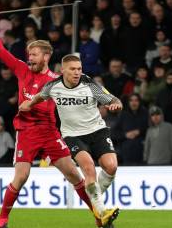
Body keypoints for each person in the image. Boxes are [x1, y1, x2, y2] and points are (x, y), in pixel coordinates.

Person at [0, 3, 111, 228]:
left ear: (46, 56)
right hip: (27, 132)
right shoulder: (21, 70)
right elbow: (0, 51)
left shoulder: (57, 81)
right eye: (28, 54)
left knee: (75, 176)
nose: (29, 57)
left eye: (34, 54)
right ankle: (2, 219)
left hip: (50, 132)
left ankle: (100, 216)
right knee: (21, 177)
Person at [19, 54, 121, 225]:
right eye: (72, 69)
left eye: (79, 69)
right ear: (63, 70)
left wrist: (115, 105)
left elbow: (113, 99)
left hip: (97, 131)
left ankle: (95, 196)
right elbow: (40, 96)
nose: (76, 72)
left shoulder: (89, 84)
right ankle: (102, 211)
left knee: (111, 166)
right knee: (88, 168)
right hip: (72, 135)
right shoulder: (53, 86)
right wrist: (29, 104)